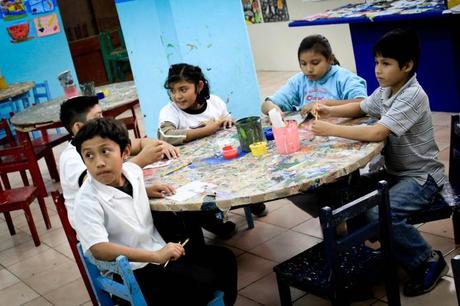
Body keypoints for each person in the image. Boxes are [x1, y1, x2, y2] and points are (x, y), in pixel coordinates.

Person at [310, 28, 448, 296]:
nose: (378, 69)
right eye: (376, 62)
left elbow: (376, 132)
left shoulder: (412, 95)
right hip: (395, 172)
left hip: (422, 177)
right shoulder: (387, 90)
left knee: (379, 211)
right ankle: (379, 253)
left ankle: (426, 259)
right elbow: (362, 107)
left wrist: (330, 128)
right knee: (350, 198)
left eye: (385, 63)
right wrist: (330, 109)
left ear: (407, 66)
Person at [73, 117, 237, 306]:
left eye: (105, 151)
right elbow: (99, 249)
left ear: (125, 151)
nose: (99, 162)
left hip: (159, 253)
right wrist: (156, 256)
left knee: (225, 259)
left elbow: (124, 193)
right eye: (89, 155)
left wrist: (146, 191)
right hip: (132, 273)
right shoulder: (86, 200)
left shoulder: (131, 172)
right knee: (202, 281)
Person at [157, 63, 268, 239]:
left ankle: (251, 200)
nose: (177, 96)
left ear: (199, 86)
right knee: (193, 195)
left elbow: (226, 120)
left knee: (242, 168)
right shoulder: (170, 111)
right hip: (191, 170)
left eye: (183, 89)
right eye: (172, 90)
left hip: (220, 162)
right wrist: (206, 130)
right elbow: (165, 135)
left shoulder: (214, 102)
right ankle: (214, 224)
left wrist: (227, 121)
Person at [59, 95, 179, 227]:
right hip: (103, 225)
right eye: (97, 117)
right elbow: (99, 183)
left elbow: (138, 143)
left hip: (120, 208)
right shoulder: (71, 159)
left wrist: (159, 145)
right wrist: (142, 159)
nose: (102, 120)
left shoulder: (101, 140)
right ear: (78, 127)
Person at [261, 34, 367, 117]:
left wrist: (324, 104)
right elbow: (267, 104)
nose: (309, 69)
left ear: (330, 59)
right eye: (303, 63)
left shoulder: (345, 78)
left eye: (315, 63)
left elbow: (363, 104)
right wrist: (273, 110)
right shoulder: (299, 81)